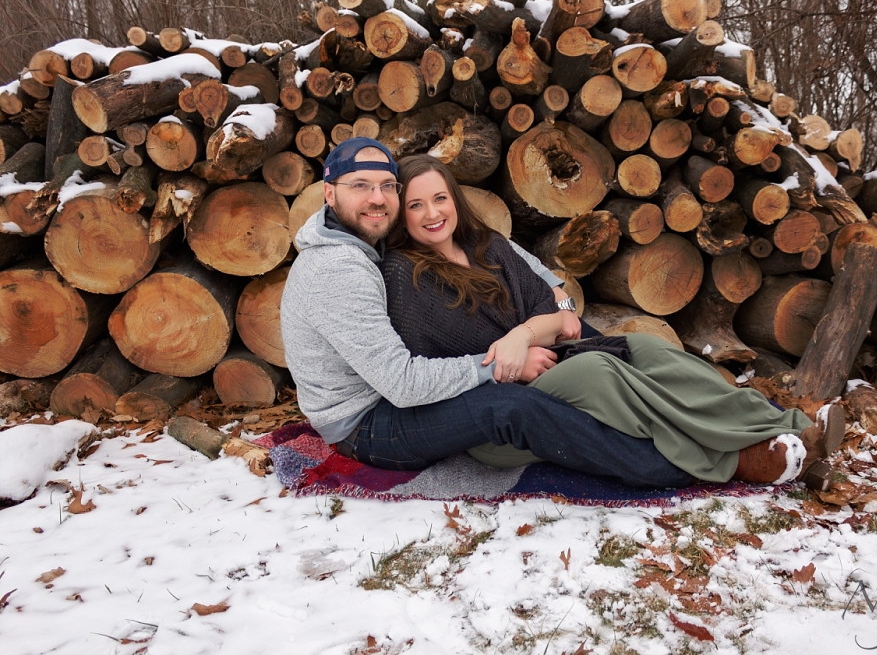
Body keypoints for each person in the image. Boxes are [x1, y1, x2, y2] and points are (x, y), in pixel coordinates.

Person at [379, 153, 845, 488]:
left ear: (455, 199)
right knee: (597, 370)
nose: (432, 213)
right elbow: (438, 363)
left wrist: (523, 335)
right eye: (416, 205)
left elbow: (558, 316)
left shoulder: (488, 247)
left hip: (548, 370)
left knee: (647, 348)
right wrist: (515, 353)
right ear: (402, 212)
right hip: (499, 414)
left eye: (439, 198)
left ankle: (785, 424)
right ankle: (736, 456)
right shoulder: (406, 274)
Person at [281, 137, 709, 488]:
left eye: (386, 186)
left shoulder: (366, 238)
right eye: (360, 185)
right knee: (510, 408)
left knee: (594, 341)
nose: (377, 199)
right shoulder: (337, 269)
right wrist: (505, 363)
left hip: (393, 394)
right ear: (329, 192)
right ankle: (667, 468)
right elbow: (403, 385)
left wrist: (557, 296)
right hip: (367, 425)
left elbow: (510, 255)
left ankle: (700, 410)